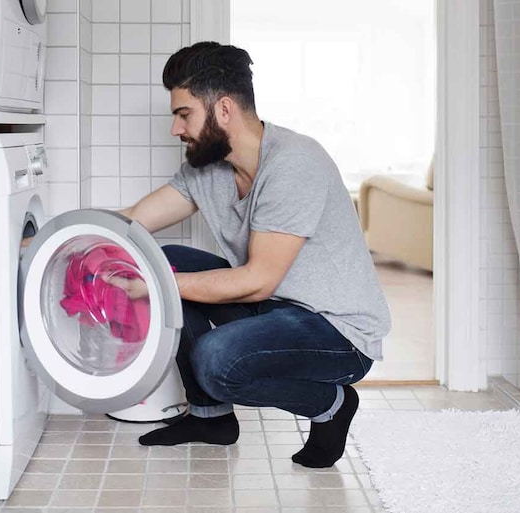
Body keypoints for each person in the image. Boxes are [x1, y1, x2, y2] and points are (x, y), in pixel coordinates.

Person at [118, 41, 391, 468]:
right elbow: (135, 219)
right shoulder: (205, 168)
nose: (176, 129)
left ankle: (331, 404)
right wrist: (54, 237)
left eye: (183, 113)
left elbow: (257, 280)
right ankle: (211, 421)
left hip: (336, 332)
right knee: (168, 258)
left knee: (215, 358)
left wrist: (153, 285)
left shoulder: (294, 163)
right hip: (276, 308)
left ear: (223, 109)